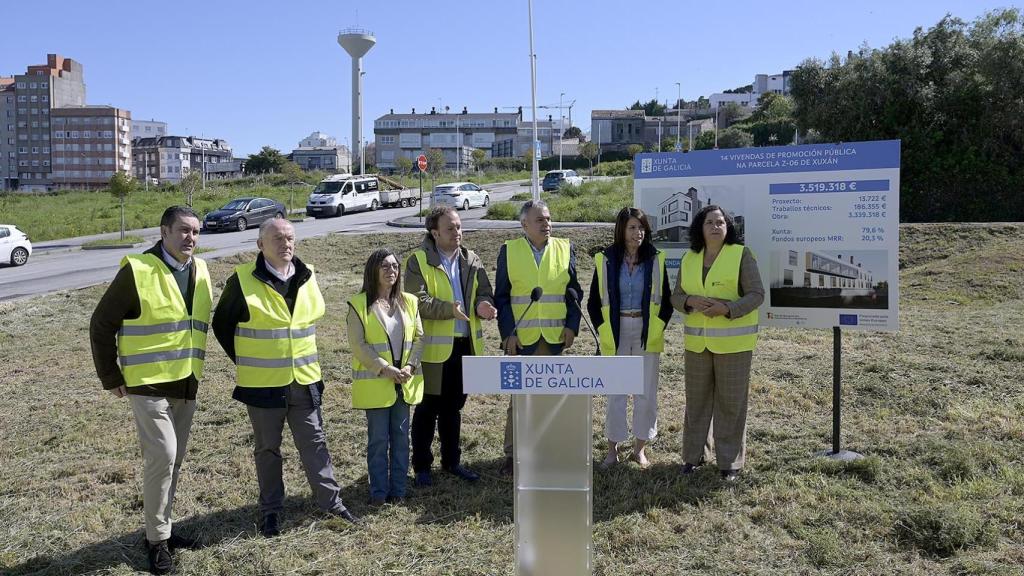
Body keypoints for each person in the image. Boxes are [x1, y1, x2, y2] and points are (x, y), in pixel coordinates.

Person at [212, 217, 359, 538]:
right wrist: (249, 361)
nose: (286, 244)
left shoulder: (308, 277)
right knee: (268, 450)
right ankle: (271, 511)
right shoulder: (241, 280)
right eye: (277, 238)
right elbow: (222, 326)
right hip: (262, 386)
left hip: (305, 381)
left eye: (290, 238)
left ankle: (331, 502)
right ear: (260, 244)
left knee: (315, 443)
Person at [89, 206, 210, 575]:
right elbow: (101, 323)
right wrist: (111, 377)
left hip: (186, 382)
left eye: (195, 232)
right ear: (164, 231)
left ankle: (164, 530)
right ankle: (156, 542)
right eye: (183, 231)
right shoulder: (138, 271)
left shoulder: (200, 269)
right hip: (148, 385)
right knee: (163, 457)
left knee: (173, 462)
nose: (190, 238)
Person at [405, 207, 497, 487]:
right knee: (427, 407)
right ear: (435, 233)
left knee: (454, 407)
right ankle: (422, 466)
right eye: (450, 228)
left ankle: (452, 462)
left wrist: (484, 305)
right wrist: (449, 309)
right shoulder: (417, 261)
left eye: (459, 227)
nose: (457, 233)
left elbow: (485, 290)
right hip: (433, 350)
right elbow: (416, 301)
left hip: (465, 346)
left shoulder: (472, 259)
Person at [671, 205, 763, 482]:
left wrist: (728, 309)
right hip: (697, 345)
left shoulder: (741, 255)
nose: (715, 226)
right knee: (696, 403)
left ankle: (729, 463)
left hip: (734, 345)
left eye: (721, 222)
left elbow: (757, 294)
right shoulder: (689, 258)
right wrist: (689, 301)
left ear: (728, 227)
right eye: (710, 222)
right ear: (700, 228)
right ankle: (693, 457)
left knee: (731, 404)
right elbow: (676, 296)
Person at [494, 199, 583, 476]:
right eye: (540, 220)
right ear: (524, 225)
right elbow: (502, 296)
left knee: (552, 397)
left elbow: (574, 292)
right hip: (522, 338)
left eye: (548, 218)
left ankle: (550, 449)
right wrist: (508, 333)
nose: (547, 224)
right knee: (520, 400)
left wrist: (572, 325)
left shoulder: (565, 248)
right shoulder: (509, 251)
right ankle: (513, 454)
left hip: (555, 337)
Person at [587, 207, 673, 469]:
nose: (638, 233)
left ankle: (639, 449)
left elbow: (666, 301)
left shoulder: (655, 259)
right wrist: (605, 332)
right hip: (617, 331)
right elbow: (593, 302)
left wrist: (656, 328)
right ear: (622, 230)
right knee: (616, 393)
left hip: (647, 332)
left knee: (645, 393)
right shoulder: (606, 260)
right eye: (633, 227)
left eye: (642, 227)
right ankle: (613, 449)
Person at [346, 247, 425, 504]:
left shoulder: (410, 302)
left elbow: (419, 338)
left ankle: (398, 491)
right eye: (385, 266)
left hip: (404, 382)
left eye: (394, 266)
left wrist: (410, 367)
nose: (391, 271)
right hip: (378, 384)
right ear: (373, 271)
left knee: (402, 439)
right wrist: (385, 368)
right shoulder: (359, 305)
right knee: (379, 441)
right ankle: (379, 492)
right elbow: (359, 345)